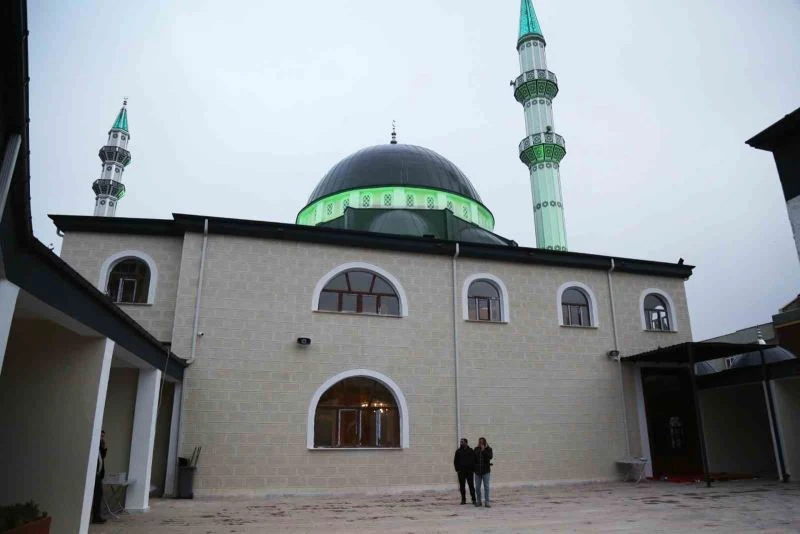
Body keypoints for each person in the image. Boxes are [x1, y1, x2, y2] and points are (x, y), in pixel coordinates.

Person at [453, 438, 476, 505]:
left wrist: (473, 469)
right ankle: (463, 500)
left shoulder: (471, 450)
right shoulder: (458, 451)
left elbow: (474, 460)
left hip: (469, 471)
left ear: (466, 443)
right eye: (461, 442)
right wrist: (457, 469)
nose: (461, 443)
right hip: (461, 472)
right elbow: (455, 461)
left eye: (462, 442)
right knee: (462, 486)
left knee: (471, 485)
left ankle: (474, 499)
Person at [91, 430, 107, 524]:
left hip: (98, 475)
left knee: (98, 495)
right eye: (100, 436)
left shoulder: (99, 449)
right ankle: (96, 516)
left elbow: (102, 459)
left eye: (103, 437)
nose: (102, 438)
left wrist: (103, 448)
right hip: (93, 475)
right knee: (96, 495)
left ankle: (96, 516)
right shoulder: (93, 448)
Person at [473, 437, 493, 508]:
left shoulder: (489, 449)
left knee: (486, 487)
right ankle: (479, 501)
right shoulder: (476, 449)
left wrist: (484, 450)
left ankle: (487, 502)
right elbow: (473, 458)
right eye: (479, 442)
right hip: (477, 471)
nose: (480, 443)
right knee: (477, 487)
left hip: (486, 471)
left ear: (484, 442)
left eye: (482, 442)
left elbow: (490, 457)